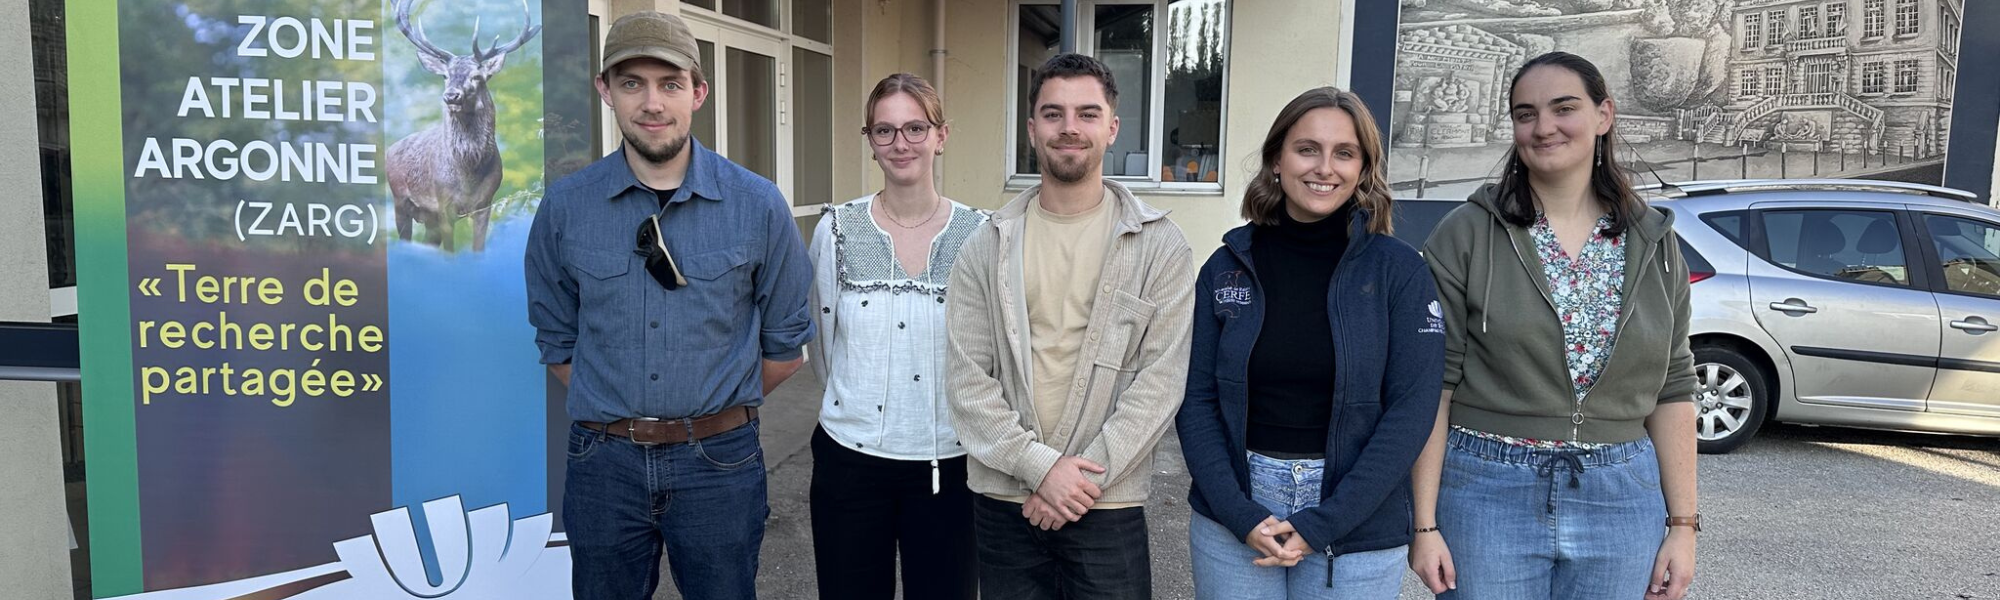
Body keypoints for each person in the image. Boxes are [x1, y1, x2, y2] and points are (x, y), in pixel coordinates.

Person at [524, 11, 815, 600]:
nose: (652, 103)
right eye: (632, 83)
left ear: (698, 92)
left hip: (720, 466)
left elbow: (786, 348)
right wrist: (620, 411)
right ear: (605, 91)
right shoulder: (566, 208)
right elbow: (556, 340)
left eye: (670, 83)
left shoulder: (757, 205)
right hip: (603, 467)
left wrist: (708, 409)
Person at [1411, 51, 1700, 600]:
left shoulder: (1653, 242)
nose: (1543, 127)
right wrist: (1423, 525)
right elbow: (1432, 385)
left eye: (1563, 108)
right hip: (1486, 489)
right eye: (1525, 114)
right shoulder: (1465, 234)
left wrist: (1682, 527)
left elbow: (1674, 386)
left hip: (1621, 495)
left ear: (1604, 115)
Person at [1176, 86, 1444, 599]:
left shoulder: (1400, 272)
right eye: (1307, 149)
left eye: (1344, 153)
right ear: (1277, 159)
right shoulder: (1226, 266)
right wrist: (1240, 513)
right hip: (1235, 509)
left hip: (1358, 518)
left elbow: (1411, 410)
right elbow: (1196, 399)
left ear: (1363, 169)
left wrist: (1328, 520)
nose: (1325, 167)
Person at [944, 53, 1195, 600]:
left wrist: (1075, 481)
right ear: (1032, 129)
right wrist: (1039, 469)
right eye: (1053, 114)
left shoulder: (1159, 246)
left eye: (1087, 113)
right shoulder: (985, 244)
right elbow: (967, 381)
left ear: (1112, 127)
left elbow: (1160, 382)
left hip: (1107, 501)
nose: (1070, 128)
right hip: (1005, 498)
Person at [805, 72, 983, 600]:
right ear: (870, 141)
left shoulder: (982, 235)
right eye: (884, 131)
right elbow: (823, 342)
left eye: (914, 128)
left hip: (950, 465)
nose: (900, 143)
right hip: (849, 461)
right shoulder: (836, 229)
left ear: (941, 135)